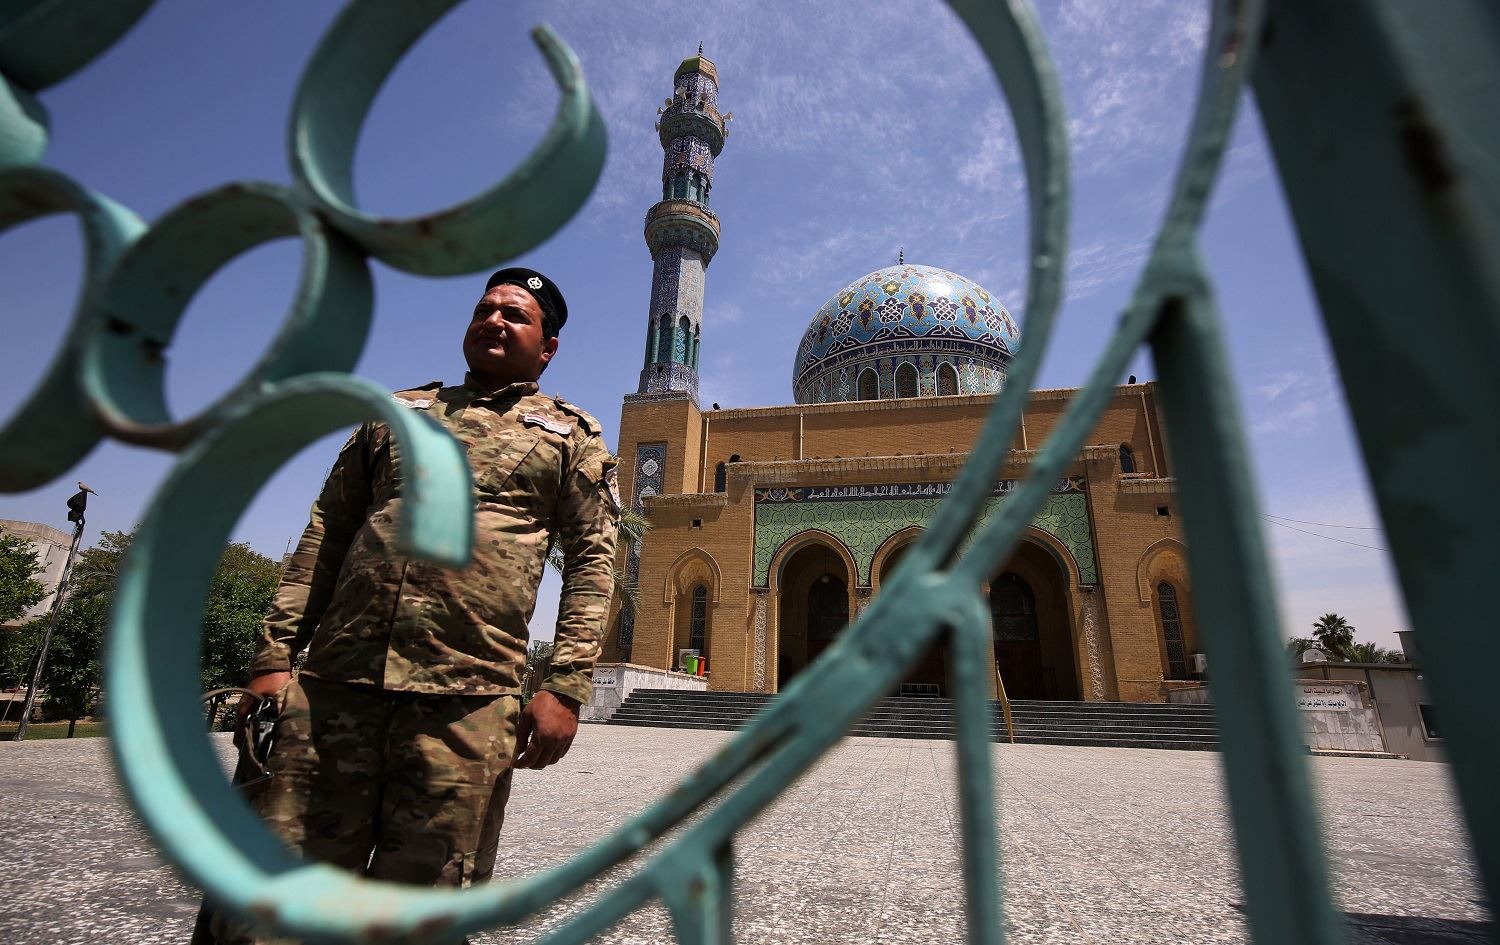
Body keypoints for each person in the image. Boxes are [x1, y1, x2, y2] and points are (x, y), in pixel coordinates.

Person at [199, 268, 619, 945]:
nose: (495, 320)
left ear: (548, 348)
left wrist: (566, 685)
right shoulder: (396, 413)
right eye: (486, 308)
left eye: (516, 315)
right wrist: (275, 655)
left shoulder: (571, 437)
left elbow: (595, 564)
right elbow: (326, 533)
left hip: (465, 704)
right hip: (337, 690)